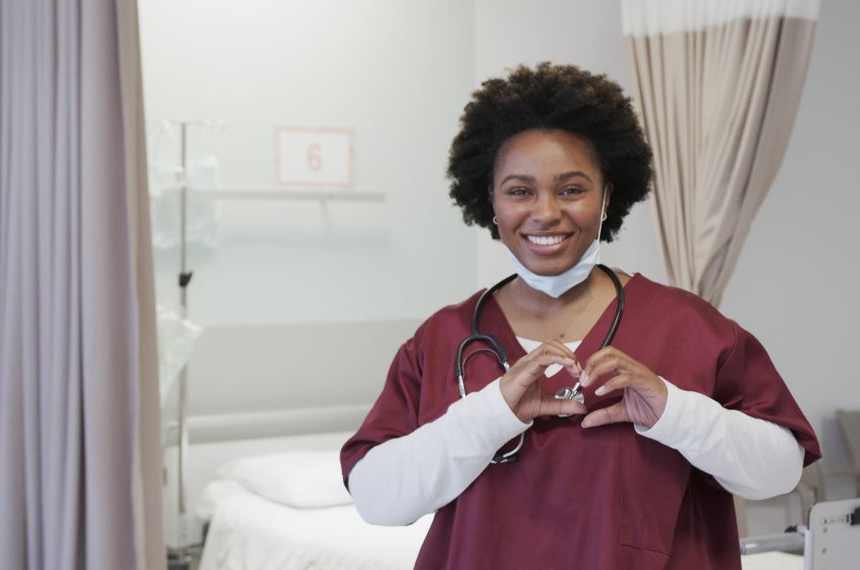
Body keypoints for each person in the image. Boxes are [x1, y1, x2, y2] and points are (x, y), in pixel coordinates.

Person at [340, 63, 820, 570]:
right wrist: (490, 415)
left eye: (571, 189)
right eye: (520, 191)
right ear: (491, 201)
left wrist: (676, 414)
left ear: (608, 195)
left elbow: (779, 471)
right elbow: (376, 499)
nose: (546, 212)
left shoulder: (688, 328)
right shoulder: (445, 338)